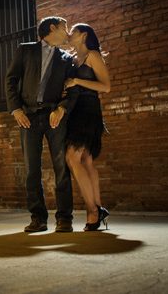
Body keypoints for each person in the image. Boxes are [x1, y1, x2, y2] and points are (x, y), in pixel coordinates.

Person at [5, 17, 80, 233]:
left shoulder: (66, 59)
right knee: (32, 170)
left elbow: (73, 90)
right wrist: (16, 109)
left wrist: (62, 108)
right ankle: (38, 218)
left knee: (61, 168)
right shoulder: (25, 50)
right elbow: (10, 79)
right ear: (52, 28)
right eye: (64, 28)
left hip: (53, 116)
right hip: (27, 116)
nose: (67, 32)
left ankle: (64, 218)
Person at [63, 23, 111, 231]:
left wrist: (77, 82)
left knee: (72, 158)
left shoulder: (93, 55)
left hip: (89, 111)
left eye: (72, 32)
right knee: (85, 160)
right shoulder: (73, 60)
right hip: (75, 111)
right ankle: (97, 209)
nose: (68, 35)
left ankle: (92, 210)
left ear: (83, 35)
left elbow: (106, 86)